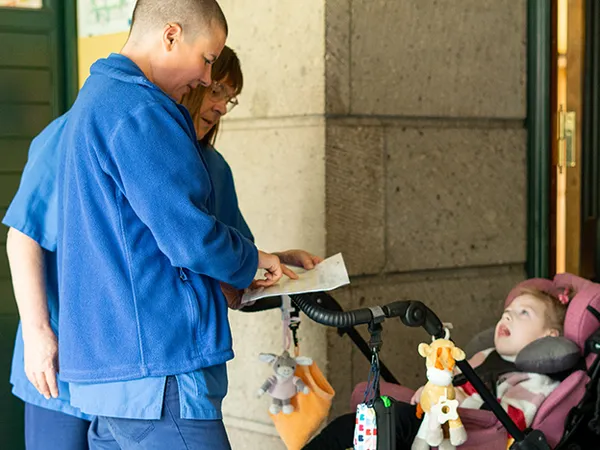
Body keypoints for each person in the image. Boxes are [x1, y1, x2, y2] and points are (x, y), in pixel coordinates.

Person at [4, 38, 320, 449]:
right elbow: (24, 234)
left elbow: (215, 254)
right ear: (187, 78)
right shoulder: (82, 129)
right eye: (215, 86)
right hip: (67, 349)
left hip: (142, 365)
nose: (221, 103)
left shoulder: (211, 166)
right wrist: (38, 332)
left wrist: (271, 262)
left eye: (231, 96)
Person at [303, 285, 572, 449]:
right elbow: (448, 380)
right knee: (362, 418)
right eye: (507, 311)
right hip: (437, 419)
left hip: (463, 433)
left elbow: (508, 423)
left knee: (373, 424)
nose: (509, 315)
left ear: (548, 336)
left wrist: (451, 402)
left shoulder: (534, 380)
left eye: (524, 313)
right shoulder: (486, 355)